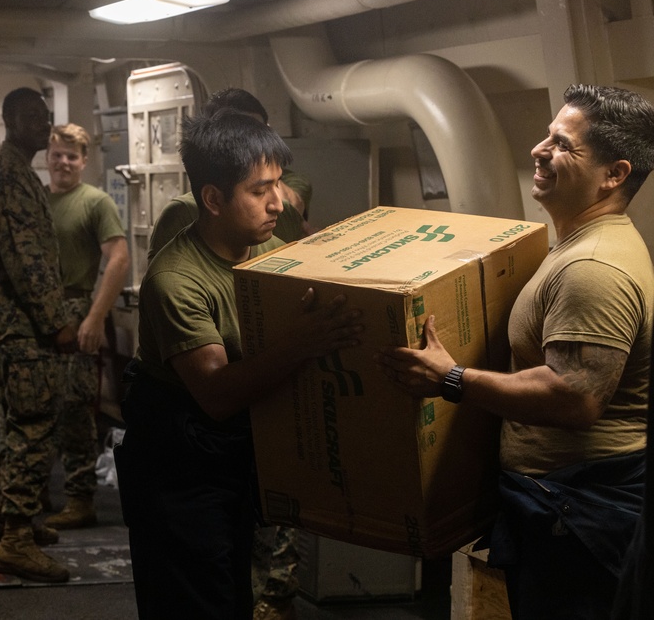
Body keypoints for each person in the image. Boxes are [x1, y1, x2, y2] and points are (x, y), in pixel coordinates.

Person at [377, 84, 654, 619]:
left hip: (581, 511)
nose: (539, 149)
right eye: (547, 135)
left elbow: (573, 396)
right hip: (560, 503)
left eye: (562, 144)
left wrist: (451, 379)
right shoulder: (573, 246)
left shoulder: (593, 267)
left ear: (613, 174)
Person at [116, 108, 363, 618]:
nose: (277, 202)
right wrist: (304, 342)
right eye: (258, 190)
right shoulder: (176, 280)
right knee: (192, 598)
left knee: (235, 595)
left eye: (278, 184)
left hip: (234, 460)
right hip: (178, 466)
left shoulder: (270, 252)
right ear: (212, 199)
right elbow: (218, 393)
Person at [0, 87, 76, 583]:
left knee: (19, 423)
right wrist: (57, 322)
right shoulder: (11, 174)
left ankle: (11, 520)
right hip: (23, 326)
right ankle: (16, 538)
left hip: (7, 324)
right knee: (34, 425)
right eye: (32, 117)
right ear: (10, 121)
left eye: (46, 116)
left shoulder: (11, 169)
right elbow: (26, 260)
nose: (43, 124)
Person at [37, 123, 129, 530]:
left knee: (74, 409)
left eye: (72, 156)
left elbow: (119, 259)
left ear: (84, 161)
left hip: (74, 308)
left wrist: (94, 316)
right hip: (36, 311)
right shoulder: (36, 201)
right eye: (57, 154)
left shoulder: (95, 202)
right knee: (33, 406)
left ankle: (79, 497)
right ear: (47, 157)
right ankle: (31, 487)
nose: (63, 162)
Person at [147, 88, 313, 264]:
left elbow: (298, 204)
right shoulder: (181, 213)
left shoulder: (284, 205)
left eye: (254, 131)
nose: (246, 142)